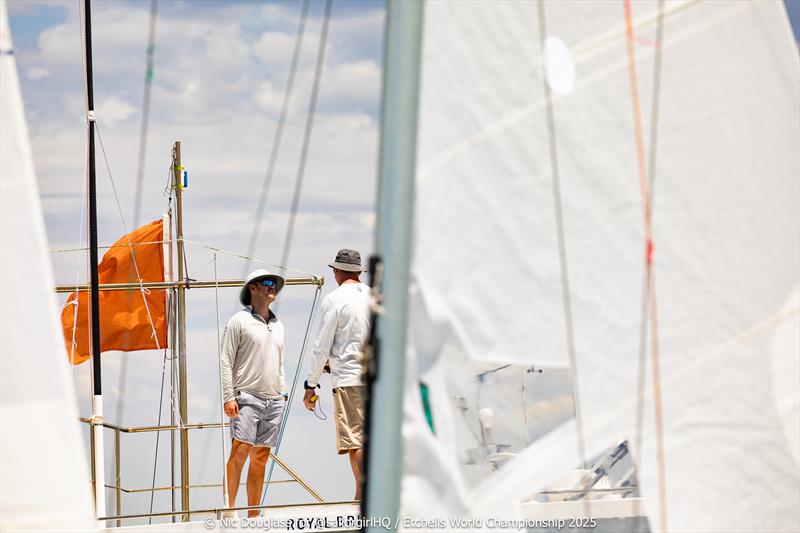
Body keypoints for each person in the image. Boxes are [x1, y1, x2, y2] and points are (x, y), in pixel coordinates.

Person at [303, 249, 371, 500]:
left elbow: (321, 346)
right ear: (358, 271)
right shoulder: (376, 297)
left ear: (337, 271)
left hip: (350, 379)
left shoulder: (334, 299)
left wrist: (310, 385)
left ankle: (363, 497)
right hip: (379, 380)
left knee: (356, 440)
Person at [220, 269, 287, 517]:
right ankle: (229, 511)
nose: (273, 288)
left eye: (275, 285)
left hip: (274, 399)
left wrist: (284, 392)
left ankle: (254, 516)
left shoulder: (279, 325)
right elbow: (226, 360)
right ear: (252, 288)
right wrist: (228, 396)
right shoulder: (239, 321)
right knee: (240, 451)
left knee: (261, 457)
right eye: (267, 283)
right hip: (246, 395)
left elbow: (280, 362)